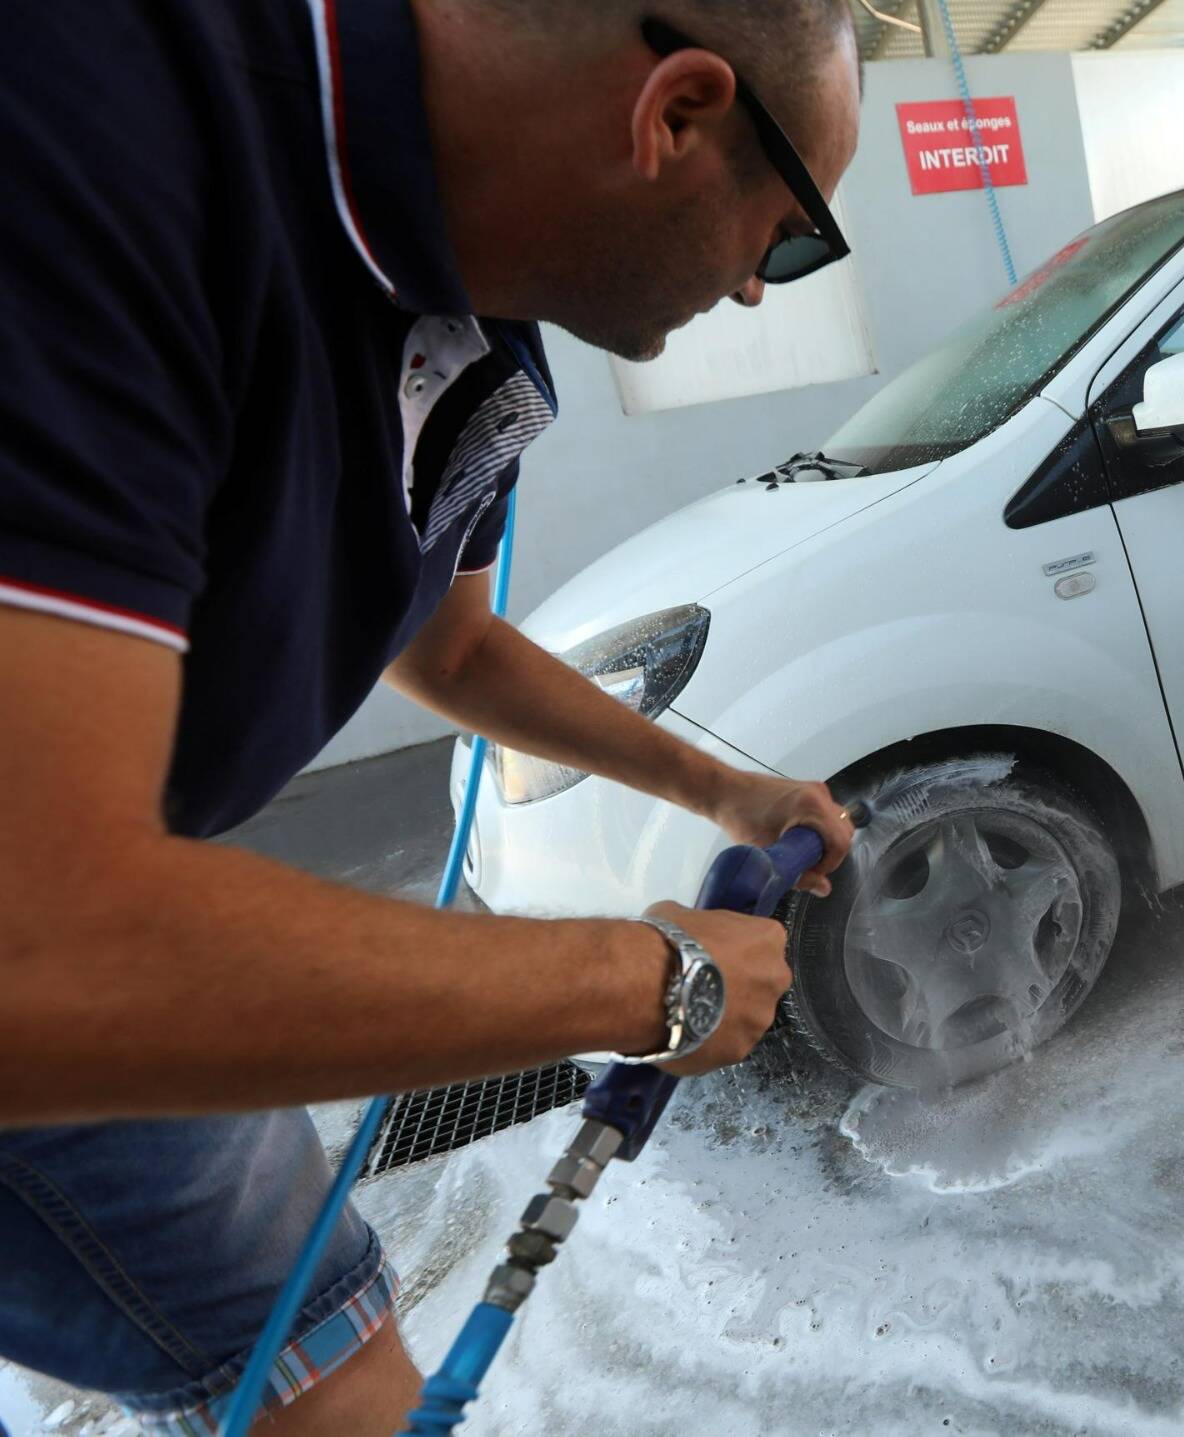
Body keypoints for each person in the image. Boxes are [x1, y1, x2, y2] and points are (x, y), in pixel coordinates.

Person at [0, 0, 864, 1430]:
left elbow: (449, 648)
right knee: (330, 1380)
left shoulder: (479, 309)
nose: (766, 289)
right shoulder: (95, 120)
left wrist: (724, 791)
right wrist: (660, 985)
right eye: (785, 235)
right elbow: (43, 945)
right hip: (59, 941)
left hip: (96, 924)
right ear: (679, 116)